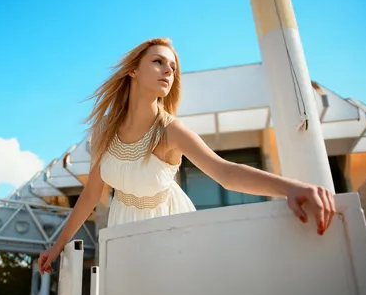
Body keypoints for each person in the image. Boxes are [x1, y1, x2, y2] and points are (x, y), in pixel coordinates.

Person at [37, 37, 336, 275]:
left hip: (170, 226)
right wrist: (57, 245)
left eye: (173, 67)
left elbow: (226, 172)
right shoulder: (104, 131)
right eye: (158, 62)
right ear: (133, 71)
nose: (169, 70)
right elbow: (90, 195)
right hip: (122, 224)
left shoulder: (171, 131)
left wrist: (291, 187)